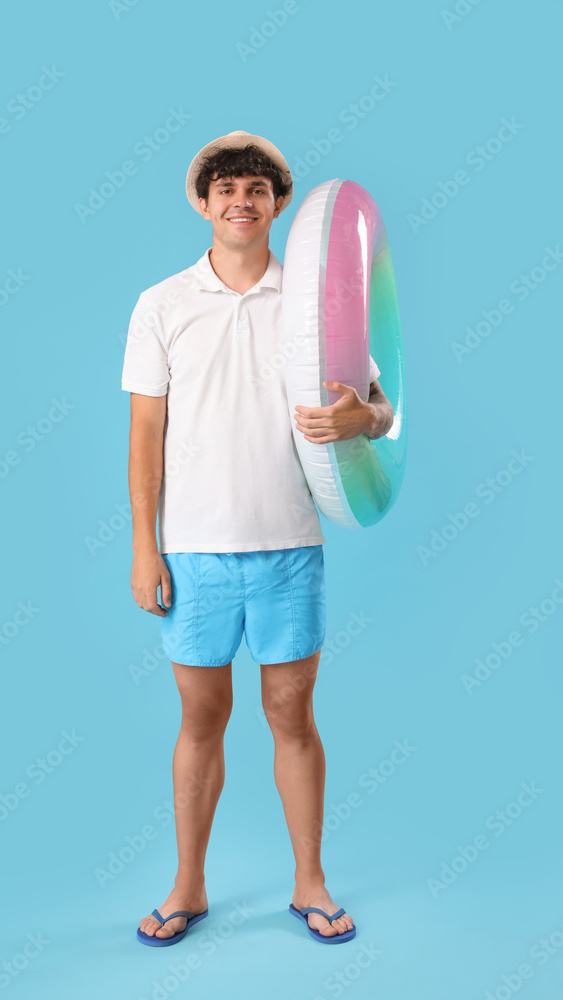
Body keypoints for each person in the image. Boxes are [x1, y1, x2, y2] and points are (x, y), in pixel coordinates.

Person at [121, 130, 394, 947]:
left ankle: (309, 882)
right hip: (195, 550)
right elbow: (143, 436)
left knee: (292, 715)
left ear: (277, 203)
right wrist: (146, 546)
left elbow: (378, 407)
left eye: (257, 188)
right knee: (199, 719)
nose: (241, 200)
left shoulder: (313, 304)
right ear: (203, 203)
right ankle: (189, 885)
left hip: (289, 545)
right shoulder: (161, 303)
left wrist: (363, 417)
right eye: (226, 188)